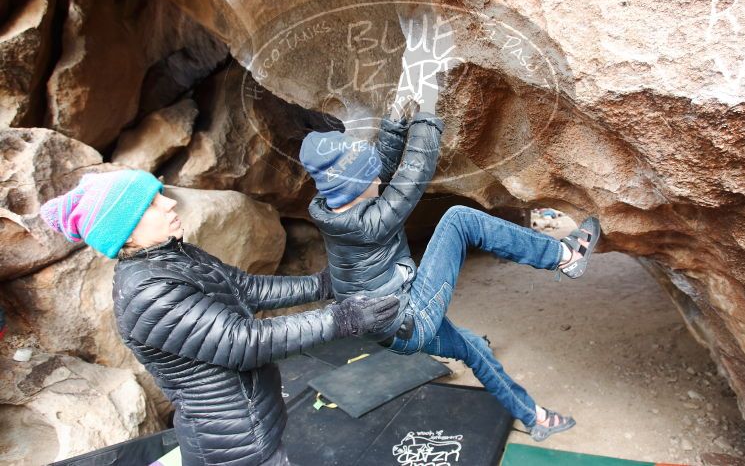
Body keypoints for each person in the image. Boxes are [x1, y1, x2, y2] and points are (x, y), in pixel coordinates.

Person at [39, 169, 400, 466]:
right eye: (150, 204)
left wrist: (325, 285)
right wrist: (344, 319)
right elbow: (241, 342)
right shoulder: (147, 293)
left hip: (248, 429)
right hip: (231, 449)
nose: (168, 203)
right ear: (127, 234)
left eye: (159, 194)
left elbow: (246, 288)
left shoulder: (172, 256)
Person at [299, 102, 601, 442]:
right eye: (372, 177)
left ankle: (535, 419)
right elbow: (413, 176)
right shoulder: (368, 224)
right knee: (460, 219)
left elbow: (376, 167)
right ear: (355, 187)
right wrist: (427, 115)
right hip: (409, 316)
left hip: (391, 326)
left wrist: (396, 123)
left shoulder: (334, 206)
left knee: (474, 349)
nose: (380, 178)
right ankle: (565, 255)